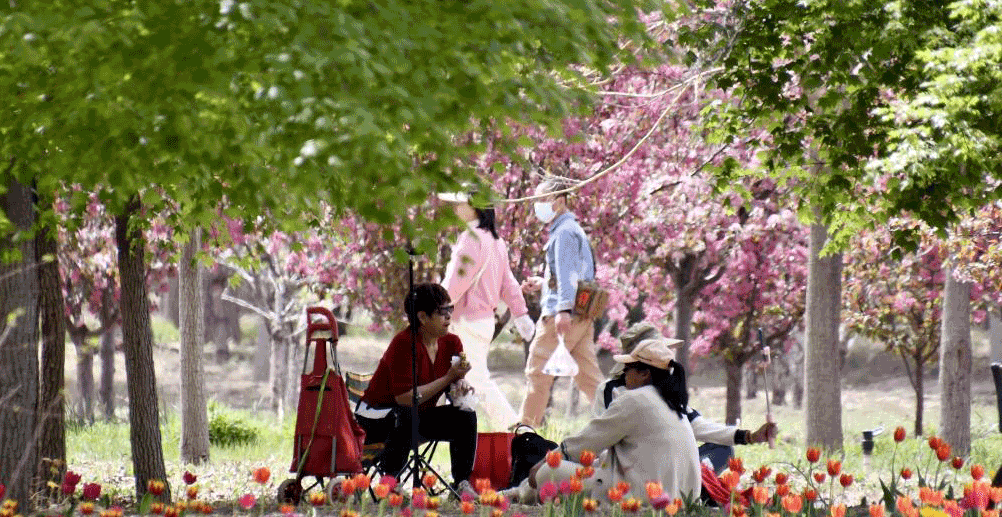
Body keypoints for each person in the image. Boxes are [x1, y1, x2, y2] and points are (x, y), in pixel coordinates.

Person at [510, 337, 702, 503]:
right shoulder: (672, 403)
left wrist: (543, 463)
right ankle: (516, 493)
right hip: (682, 499)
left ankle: (517, 494)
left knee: (547, 472)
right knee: (583, 468)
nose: (624, 374)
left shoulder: (634, 399)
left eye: (628, 368)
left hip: (643, 497)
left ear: (645, 373)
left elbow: (587, 442)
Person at [595, 322, 777, 474]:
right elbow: (602, 438)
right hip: (635, 469)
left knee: (722, 450)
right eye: (661, 351)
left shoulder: (664, 388)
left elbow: (696, 424)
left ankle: (696, 484)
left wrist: (748, 436)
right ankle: (697, 487)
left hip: (670, 468)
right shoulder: (611, 391)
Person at [357, 283, 478, 497]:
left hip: (419, 416)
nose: (449, 317)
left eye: (450, 309)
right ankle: (390, 481)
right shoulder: (403, 345)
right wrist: (448, 377)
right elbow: (404, 398)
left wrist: (460, 384)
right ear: (422, 317)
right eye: (442, 312)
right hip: (380, 421)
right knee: (405, 413)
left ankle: (461, 482)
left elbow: (449, 386)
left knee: (465, 416)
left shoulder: (452, 342)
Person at [438, 191, 536, 430]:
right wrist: (521, 313)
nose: (455, 207)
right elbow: (508, 282)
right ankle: (447, 428)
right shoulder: (496, 240)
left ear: (475, 206)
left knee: (476, 379)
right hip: (482, 321)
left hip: (466, 322)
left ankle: (515, 429)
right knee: (450, 377)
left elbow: (456, 281)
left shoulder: (471, 238)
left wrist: (434, 304)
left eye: (460, 203)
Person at [517, 177, 604, 427]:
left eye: (542, 200)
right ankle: (623, 426)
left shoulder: (564, 233)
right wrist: (544, 283)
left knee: (537, 373)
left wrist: (562, 310)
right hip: (582, 314)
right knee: (590, 379)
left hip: (564, 314)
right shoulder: (571, 229)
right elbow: (572, 275)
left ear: (559, 201)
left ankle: (525, 432)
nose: (537, 206)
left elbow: (568, 276)